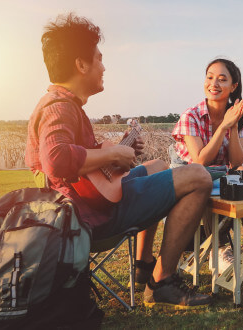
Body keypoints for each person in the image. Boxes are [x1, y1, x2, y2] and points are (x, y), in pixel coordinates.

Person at [26, 13, 213, 310]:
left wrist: (123, 153)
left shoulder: (63, 104)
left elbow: (86, 171)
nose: (103, 66)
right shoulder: (59, 107)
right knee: (199, 176)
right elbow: (56, 159)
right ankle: (161, 282)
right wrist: (113, 154)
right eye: (99, 58)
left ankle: (143, 264)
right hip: (89, 218)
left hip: (89, 204)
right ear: (81, 64)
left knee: (159, 166)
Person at [171, 58, 243, 272]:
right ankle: (217, 250)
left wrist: (234, 126)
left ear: (233, 86)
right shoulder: (191, 116)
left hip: (218, 175)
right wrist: (222, 129)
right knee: (206, 179)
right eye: (209, 77)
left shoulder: (237, 117)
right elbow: (200, 161)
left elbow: (236, 162)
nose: (214, 84)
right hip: (188, 177)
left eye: (222, 79)